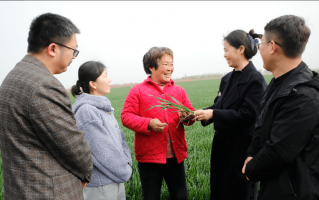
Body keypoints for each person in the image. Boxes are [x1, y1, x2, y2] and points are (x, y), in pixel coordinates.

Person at [0, 13, 93, 199]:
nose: (74, 57)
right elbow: (72, 146)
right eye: (73, 50)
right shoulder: (43, 85)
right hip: (50, 191)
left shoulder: (13, 77)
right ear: (53, 48)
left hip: (21, 188)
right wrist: (86, 173)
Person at [242, 15, 319, 200]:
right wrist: (251, 154)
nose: (259, 49)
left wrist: (251, 169)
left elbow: (279, 152)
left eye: (261, 44)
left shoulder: (303, 95)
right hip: (275, 187)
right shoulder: (278, 83)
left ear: (273, 46)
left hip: (296, 191)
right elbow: (261, 124)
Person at [195, 29, 267, 200]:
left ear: (240, 49)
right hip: (222, 147)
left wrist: (213, 114)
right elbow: (219, 106)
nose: (224, 55)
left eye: (226, 50)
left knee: (239, 192)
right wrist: (199, 114)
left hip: (241, 148)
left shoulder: (255, 79)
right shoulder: (227, 78)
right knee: (220, 190)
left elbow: (248, 115)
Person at [121, 47, 195, 200]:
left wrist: (187, 117)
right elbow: (126, 117)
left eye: (171, 64)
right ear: (151, 67)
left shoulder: (179, 91)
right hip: (149, 158)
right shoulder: (137, 91)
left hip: (175, 157)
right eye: (165, 64)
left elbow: (190, 114)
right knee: (151, 197)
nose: (170, 68)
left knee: (181, 196)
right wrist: (149, 123)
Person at [71, 61, 132, 200]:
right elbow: (102, 151)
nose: (109, 79)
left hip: (115, 179)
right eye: (105, 76)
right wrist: (124, 169)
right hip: (101, 186)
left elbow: (120, 139)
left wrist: (127, 162)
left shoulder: (103, 108)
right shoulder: (87, 111)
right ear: (93, 84)